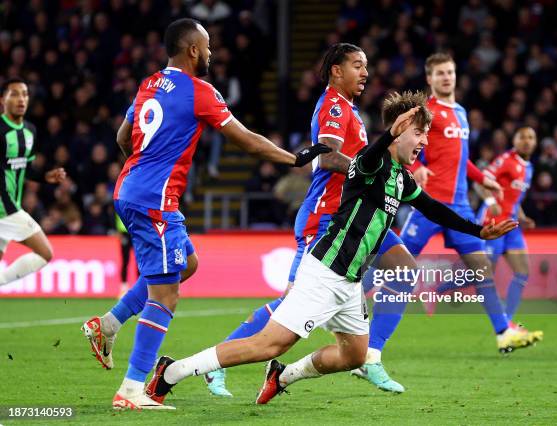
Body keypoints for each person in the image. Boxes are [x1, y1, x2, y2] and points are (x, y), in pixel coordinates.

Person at [144, 91, 517, 407]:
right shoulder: (367, 165)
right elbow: (370, 158)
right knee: (268, 343)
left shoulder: (401, 179)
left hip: (350, 283)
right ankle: (171, 371)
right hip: (324, 272)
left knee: (353, 354)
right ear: (399, 129)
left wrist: (479, 230)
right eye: (419, 133)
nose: (423, 143)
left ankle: (283, 377)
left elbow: (433, 207)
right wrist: (388, 135)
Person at [80, 18, 329, 410]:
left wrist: (143, 171)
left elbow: (122, 138)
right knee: (167, 295)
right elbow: (247, 140)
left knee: (187, 264)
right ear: (193, 49)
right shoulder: (200, 91)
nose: (212, 53)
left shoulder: (149, 83)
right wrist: (294, 158)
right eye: (208, 46)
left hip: (130, 190)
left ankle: (108, 324)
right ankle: (130, 390)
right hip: (153, 201)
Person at [205, 43, 423, 396]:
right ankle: (217, 364)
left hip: (358, 218)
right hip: (326, 217)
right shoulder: (334, 105)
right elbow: (325, 157)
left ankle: (371, 355)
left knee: (405, 269)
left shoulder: (351, 109)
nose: (365, 72)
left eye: (366, 66)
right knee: (292, 299)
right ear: (336, 71)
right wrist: (366, 170)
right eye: (357, 65)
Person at [394, 53, 541, 356]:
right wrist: (415, 167)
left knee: (481, 269)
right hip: (429, 203)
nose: (447, 77)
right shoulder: (425, 111)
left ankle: (503, 333)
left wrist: (481, 179)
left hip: (459, 207)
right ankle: (346, 297)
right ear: (430, 79)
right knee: (396, 265)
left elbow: (461, 158)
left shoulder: (461, 112)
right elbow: (400, 144)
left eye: (450, 72)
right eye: (440, 73)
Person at [0, 77, 66, 287]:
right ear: (3, 99)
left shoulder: (30, 130)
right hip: (5, 210)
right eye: (15, 94)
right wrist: (12, 210)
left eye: (25, 94)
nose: (21, 99)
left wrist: (45, 176)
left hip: (10, 208)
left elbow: (25, 168)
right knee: (45, 252)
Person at [476, 127, 540, 322]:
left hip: (511, 226)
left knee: (522, 272)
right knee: (484, 275)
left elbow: (515, 199)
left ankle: (506, 321)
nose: (527, 141)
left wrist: (522, 216)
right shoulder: (505, 160)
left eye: (531, 137)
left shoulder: (528, 167)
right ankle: (443, 290)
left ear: (535, 142)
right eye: (523, 137)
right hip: (492, 224)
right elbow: (480, 182)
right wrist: (490, 202)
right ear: (515, 140)